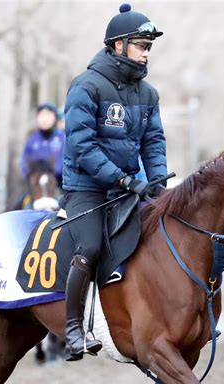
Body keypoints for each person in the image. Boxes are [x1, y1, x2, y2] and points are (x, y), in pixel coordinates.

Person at [62, 3, 167, 361]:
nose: (146, 52)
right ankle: (73, 329)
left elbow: (154, 142)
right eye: (141, 44)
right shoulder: (85, 86)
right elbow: (83, 146)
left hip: (129, 187)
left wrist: (157, 183)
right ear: (118, 45)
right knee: (89, 247)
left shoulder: (148, 94)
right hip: (87, 189)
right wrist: (124, 179)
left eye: (149, 47)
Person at [19, 102, 65, 189]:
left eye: (48, 115)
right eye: (41, 115)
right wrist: (30, 174)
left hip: (58, 185)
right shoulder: (32, 139)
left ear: (55, 118)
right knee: (20, 202)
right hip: (35, 184)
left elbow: (64, 160)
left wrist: (53, 173)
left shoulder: (62, 138)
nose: (44, 119)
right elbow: (24, 160)